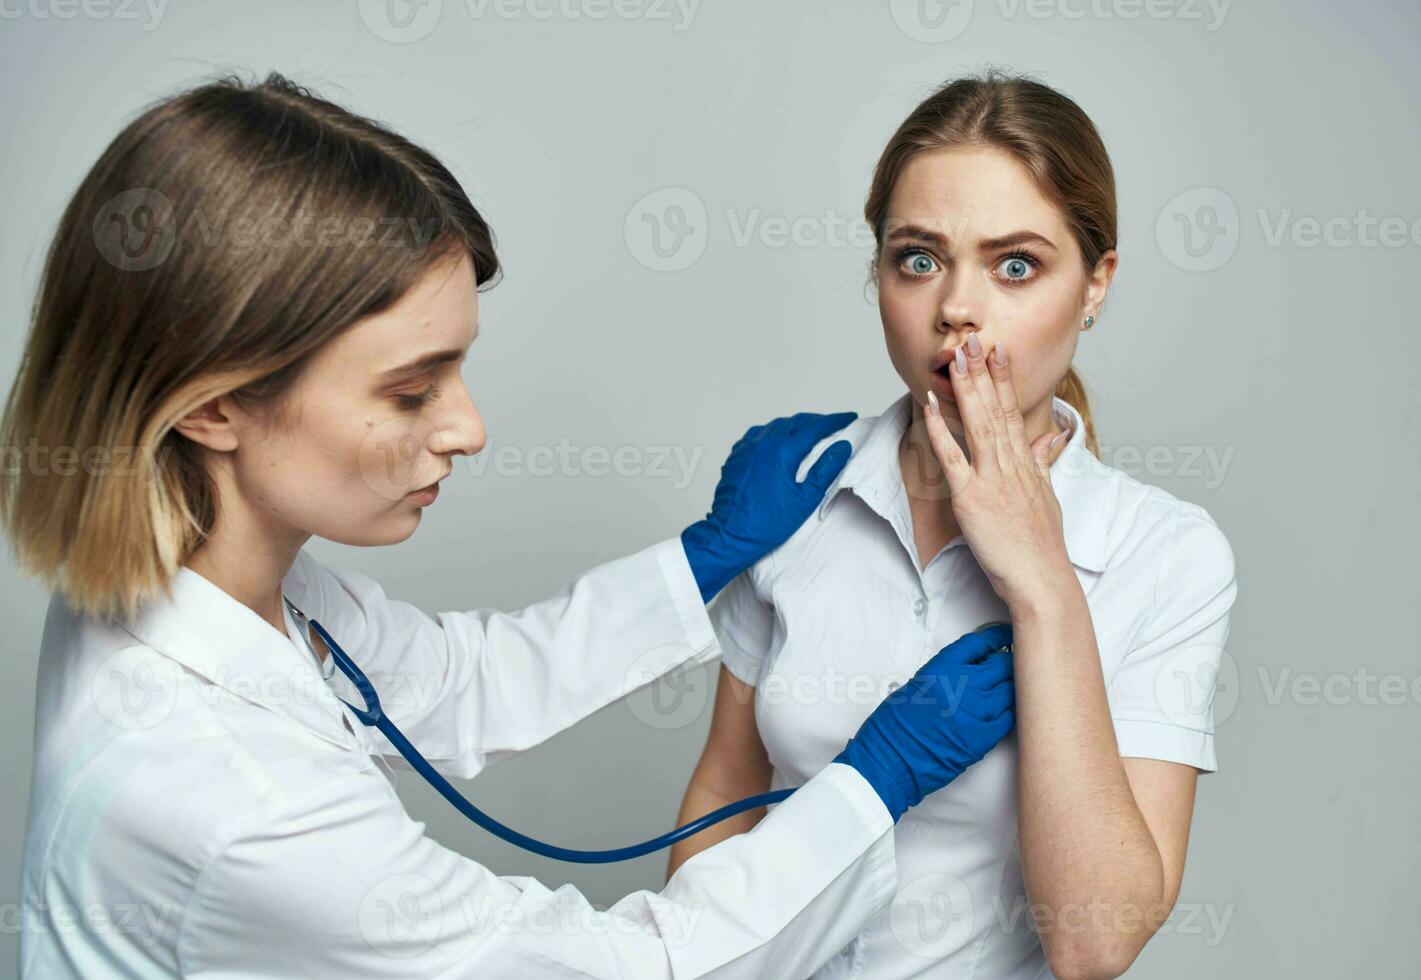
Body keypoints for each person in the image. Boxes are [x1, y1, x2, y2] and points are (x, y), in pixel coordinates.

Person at [3, 72, 1019, 978]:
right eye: (410, 390)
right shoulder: (233, 793)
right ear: (213, 403)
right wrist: (872, 780)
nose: (469, 428)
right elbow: (627, 969)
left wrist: (702, 557)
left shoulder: (206, 570)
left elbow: (462, 680)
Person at [669, 70, 1240, 980]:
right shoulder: (795, 490)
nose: (956, 309)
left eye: (1016, 264)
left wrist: (1045, 589)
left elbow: (1094, 944)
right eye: (918, 259)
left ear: (1096, 283)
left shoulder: (1164, 554)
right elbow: (725, 796)